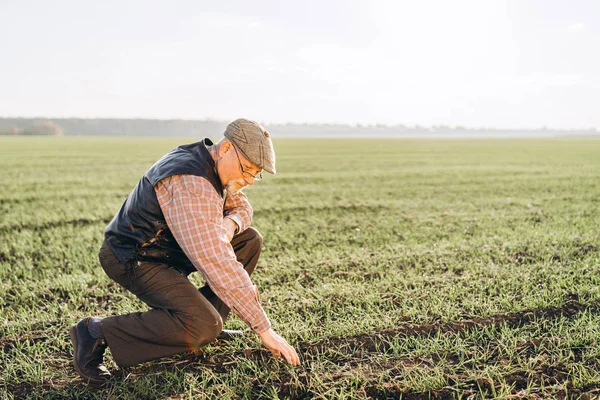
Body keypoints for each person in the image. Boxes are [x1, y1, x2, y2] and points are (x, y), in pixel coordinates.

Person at [69, 118, 300, 383]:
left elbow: (242, 208)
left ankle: (209, 321)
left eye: (254, 174)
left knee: (248, 240)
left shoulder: (216, 164)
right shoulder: (192, 182)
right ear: (226, 149)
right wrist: (264, 329)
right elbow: (217, 262)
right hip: (136, 256)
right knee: (203, 325)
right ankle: (95, 331)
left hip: (167, 249)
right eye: (246, 169)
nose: (248, 180)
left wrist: (229, 224)